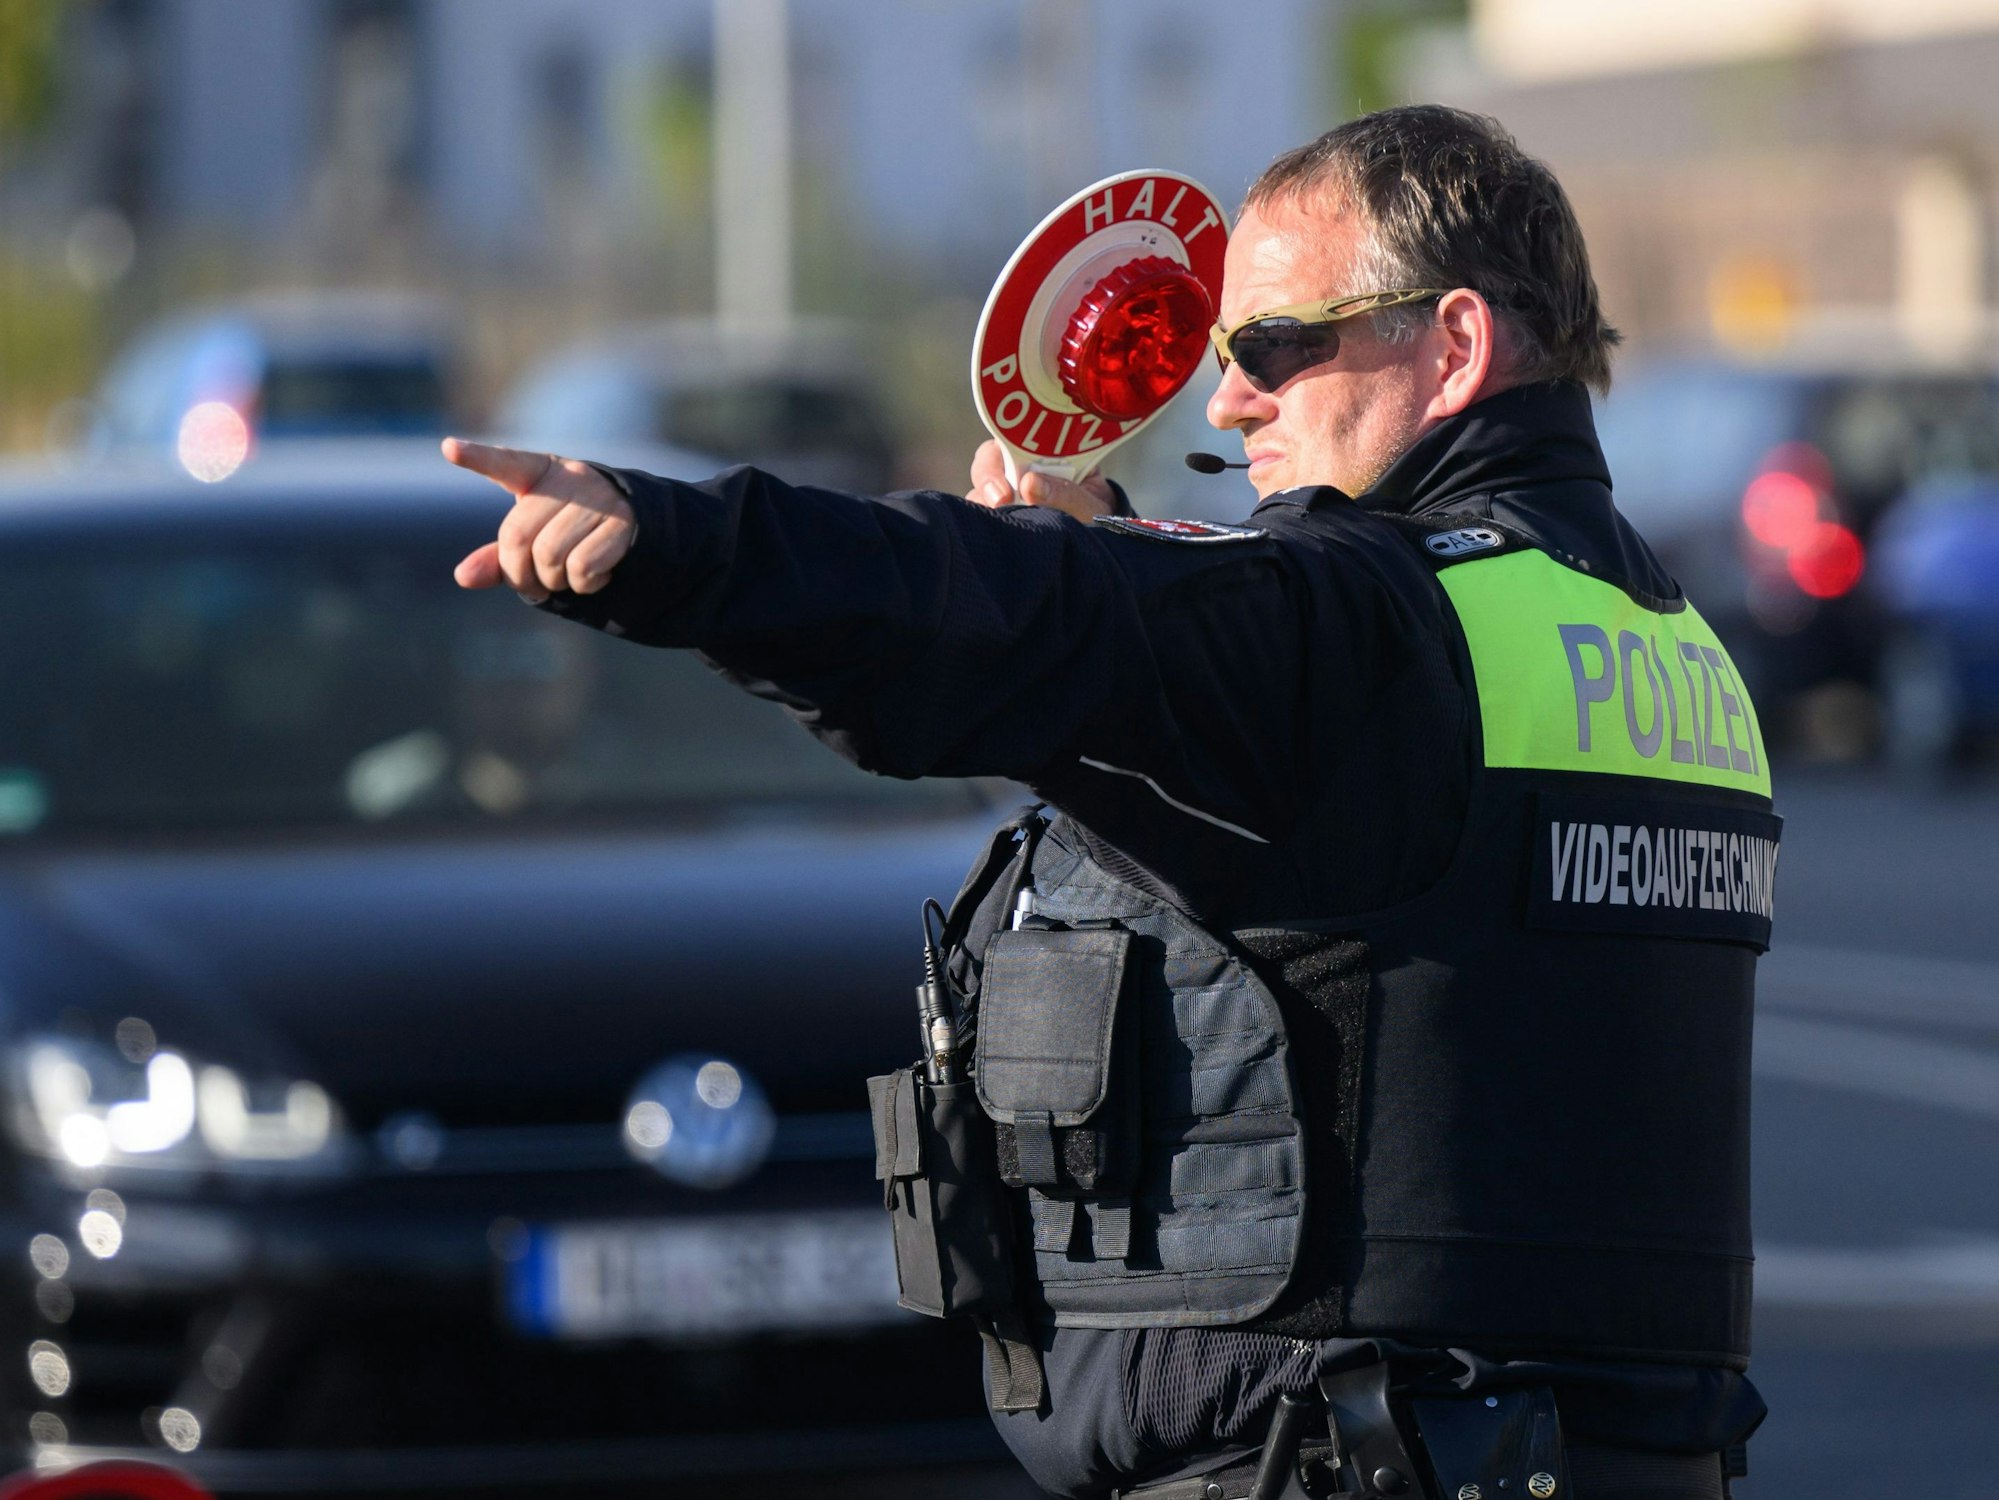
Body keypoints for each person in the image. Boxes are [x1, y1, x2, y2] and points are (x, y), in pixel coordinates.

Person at [448, 106, 1775, 1500]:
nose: (1228, 403)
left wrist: (682, 547)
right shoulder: (1661, 639)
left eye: (1271, 349)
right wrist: (1120, 575)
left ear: (1451, 346)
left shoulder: (1371, 628)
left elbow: (1027, 623)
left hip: (1336, 1463)